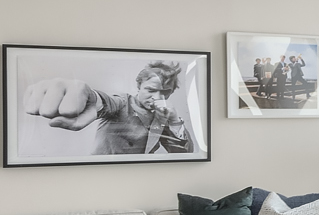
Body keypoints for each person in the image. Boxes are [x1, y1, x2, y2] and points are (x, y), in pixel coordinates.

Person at [23, 59, 194, 154]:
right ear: (139, 86)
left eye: (165, 92)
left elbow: (184, 154)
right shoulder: (122, 102)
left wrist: (174, 121)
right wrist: (91, 97)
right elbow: (105, 102)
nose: (157, 97)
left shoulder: (163, 118)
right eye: (151, 90)